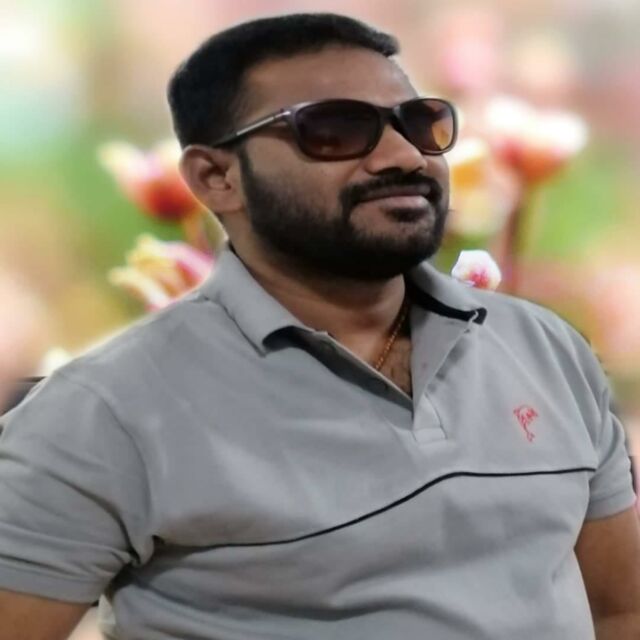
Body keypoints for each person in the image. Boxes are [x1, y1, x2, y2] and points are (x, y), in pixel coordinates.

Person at [0, 12, 638, 640]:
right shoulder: (105, 411)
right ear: (216, 178)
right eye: (333, 130)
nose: (404, 155)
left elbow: (622, 611)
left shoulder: (543, 348)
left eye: (420, 123)